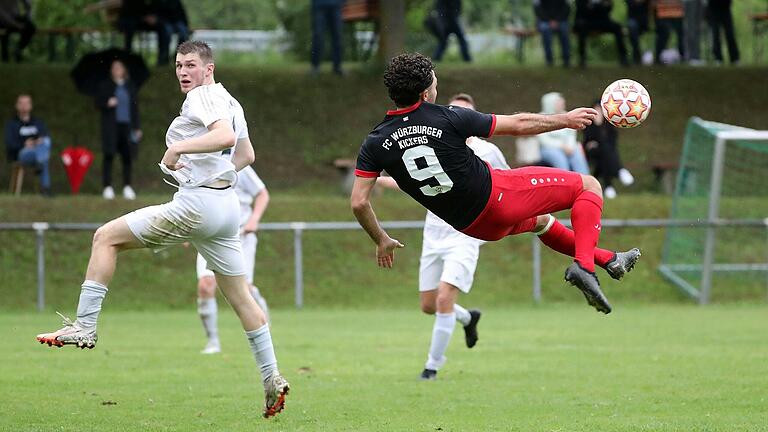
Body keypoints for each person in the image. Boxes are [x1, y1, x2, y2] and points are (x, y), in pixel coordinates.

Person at [35, 40, 290, 418]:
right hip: (225, 208)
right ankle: (272, 377)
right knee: (241, 298)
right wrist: (218, 175)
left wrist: (178, 151)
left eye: (190, 64)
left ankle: (85, 327)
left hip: (198, 205)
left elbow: (223, 138)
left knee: (105, 237)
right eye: (178, 66)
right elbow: (246, 155)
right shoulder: (231, 101)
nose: (183, 72)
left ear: (209, 68)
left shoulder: (202, 97)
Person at [351, 53, 641, 315]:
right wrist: (564, 119)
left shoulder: (375, 142)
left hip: (474, 226)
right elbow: (517, 124)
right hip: (497, 196)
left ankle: (610, 259)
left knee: (542, 222)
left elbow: (359, 202)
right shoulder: (447, 117)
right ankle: (585, 268)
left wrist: (381, 239)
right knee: (588, 186)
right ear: (426, 93)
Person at [377, 93, 508, 381]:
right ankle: (467, 318)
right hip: (434, 233)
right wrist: (378, 178)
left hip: (466, 233)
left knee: (445, 297)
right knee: (429, 304)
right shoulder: (433, 143)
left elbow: (508, 186)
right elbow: (415, 179)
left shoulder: (487, 152)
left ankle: (431, 367)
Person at [197, 165, 271, 355]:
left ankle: (264, 328)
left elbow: (263, 194)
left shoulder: (238, 165)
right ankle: (212, 341)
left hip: (241, 236)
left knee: (244, 289)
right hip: (210, 236)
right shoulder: (200, 165)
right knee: (205, 285)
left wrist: (254, 219)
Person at [95, 59, 142, 200]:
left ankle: (127, 186)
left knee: (127, 156)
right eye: (114, 68)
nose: (116, 70)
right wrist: (107, 103)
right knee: (109, 155)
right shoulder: (105, 86)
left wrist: (137, 127)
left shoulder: (130, 86)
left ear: (123, 70)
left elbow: (135, 108)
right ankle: (107, 186)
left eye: (119, 68)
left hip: (127, 126)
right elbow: (97, 103)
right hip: (111, 126)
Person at [583, 99, 634, 199]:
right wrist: (597, 125)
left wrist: (599, 142)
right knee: (606, 151)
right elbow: (588, 141)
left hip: (605, 153)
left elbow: (612, 141)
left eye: (600, 109)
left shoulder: (609, 124)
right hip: (593, 152)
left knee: (605, 155)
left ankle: (608, 186)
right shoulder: (589, 124)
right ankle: (619, 171)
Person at [3, 94, 52, 196]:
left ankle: (40, 161)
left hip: (37, 151)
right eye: (21, 103)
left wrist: (35, 143)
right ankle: (46, 190)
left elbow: (44, 138)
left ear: (31, 105)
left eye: (27, 103)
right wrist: (24, 144)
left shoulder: (38, 122)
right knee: (44, 156)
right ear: (17, 105)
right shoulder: (11, 124)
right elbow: (10, 143)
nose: (24, 106)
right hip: (22, 154)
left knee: (46, 142)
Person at [537, 92, 590, 174]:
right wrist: (562, 146)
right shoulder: (541, 118)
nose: (562, 104)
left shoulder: (567, 116)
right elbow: (544, 140)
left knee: (577, 152)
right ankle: (566, 182)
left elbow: (571, 135)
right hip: (549, 148)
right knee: (559, 158)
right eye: (558, 103)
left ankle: (585, 180)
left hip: (568, 148)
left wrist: (570, 146)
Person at [573, 0, 629, 67]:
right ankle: (582, 59)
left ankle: (624, 58)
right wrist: (600, 6)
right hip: (587, 21)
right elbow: (582, 9)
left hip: (603, 21)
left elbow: (608, 8)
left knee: (618, 28)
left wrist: (594, 6)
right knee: (581, 30)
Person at [118, 0, 172, 65]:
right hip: (133, 18)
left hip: (150, 19)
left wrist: (155, 17)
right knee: (129, 27)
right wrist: (144, 17)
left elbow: (159, 7)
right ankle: (127, 57)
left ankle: (163, 58)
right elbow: (129, 8)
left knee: (164, 27)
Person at [533, 0, 572, 67]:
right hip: (545, 21)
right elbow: (537, 9)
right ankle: (549, 60)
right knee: (545, 30)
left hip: (561, 20)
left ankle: (566, 60)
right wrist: (549, 21)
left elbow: (567, 8)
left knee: (564, 31)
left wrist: (557, 20)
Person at [310, 0, 344, 75]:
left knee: (337, 36)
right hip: (319, 6)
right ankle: (315, 67)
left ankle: (337, 67)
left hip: (336, 6)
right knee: (318, 36)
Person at [706, 0, 739, 65]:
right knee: (715, 35)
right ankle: (718, 58)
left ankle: (734, 58)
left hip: (725, 9)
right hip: (713, 9)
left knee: (730, 34)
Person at [626, 0, 650, 65]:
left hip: (644, 20)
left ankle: (638, 56)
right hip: (632, 18)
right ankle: (636, 56)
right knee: (632, 29)